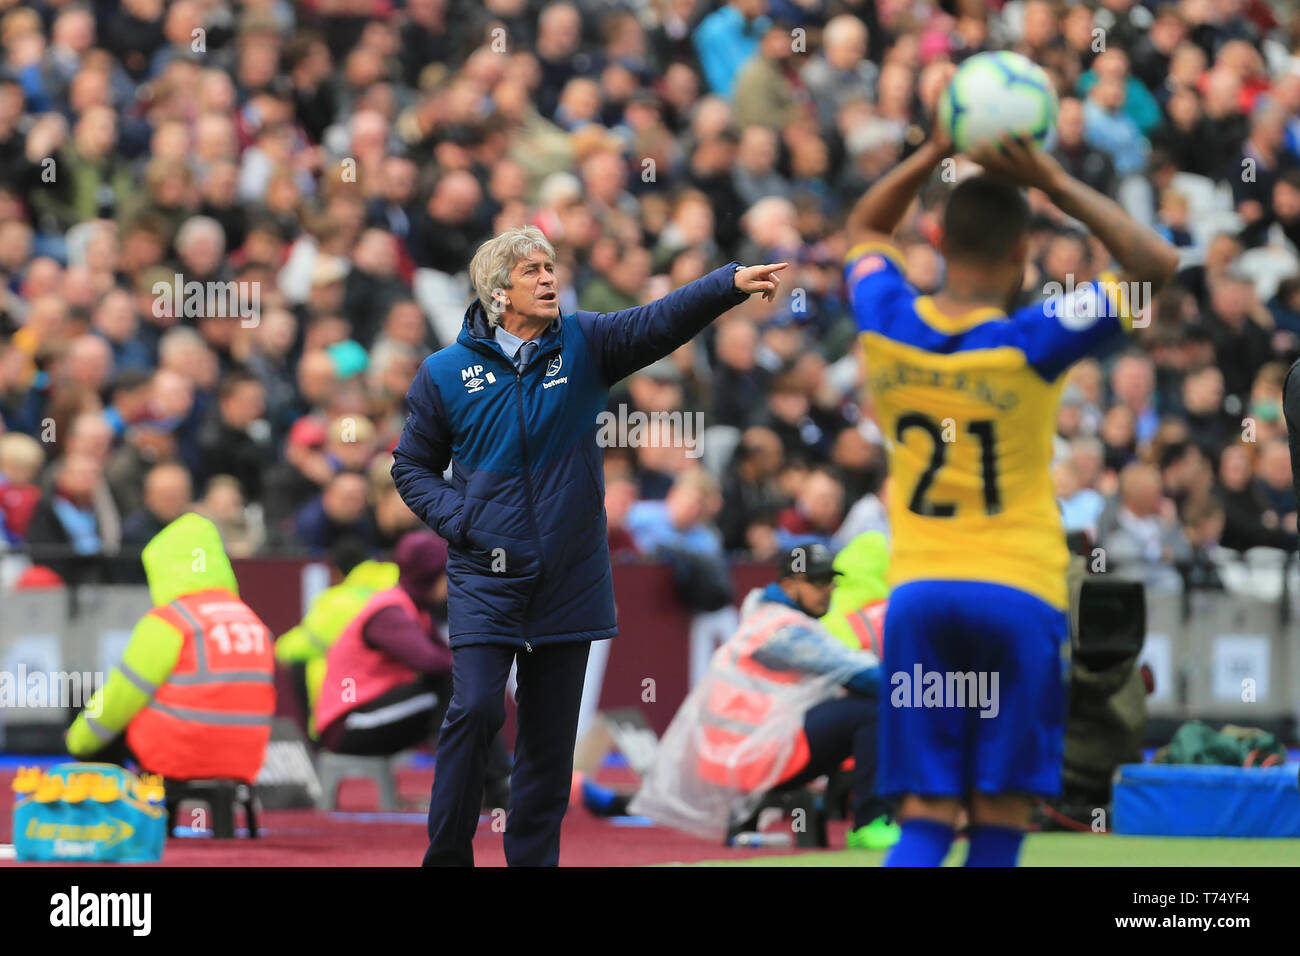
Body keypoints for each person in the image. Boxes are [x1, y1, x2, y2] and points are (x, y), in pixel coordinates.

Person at [392, 224, 786, 866]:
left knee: (549, 746)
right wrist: (461, 520)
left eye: (551, 268)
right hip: (484, 576)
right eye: (532, 272)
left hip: (568, 577)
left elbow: (660, 321)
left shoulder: (585, 342)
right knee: (475, 709)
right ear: (498, 292)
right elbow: (410, 467)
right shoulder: (442, 373)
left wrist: (728, 285)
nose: (549, 279)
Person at [844, 116, 1179, 865]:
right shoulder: (1040, 336)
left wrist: (932, 149)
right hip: (1019, 594)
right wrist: (1056, 182)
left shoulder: (888, 318)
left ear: (935, 240)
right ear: (1024, 253)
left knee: (926, 815)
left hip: (923, 595)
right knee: (999, 816)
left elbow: (864, 225)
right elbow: (1156, 262)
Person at [623, 543, 897, 849]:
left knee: (858, 705)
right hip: (753, 757)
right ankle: (871, 820)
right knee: (873, 708)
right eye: (818, 582)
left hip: (738, 754)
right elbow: (864, 675)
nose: (828, 590)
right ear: (790, 584)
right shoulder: (784, 631)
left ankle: (860, 808)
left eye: (831, 581)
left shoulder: (766, 616)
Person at [64, 513, 275, 782]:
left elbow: (121, 697)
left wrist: (78, 741)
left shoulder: (172, 621)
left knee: (105, 723)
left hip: (178, 758)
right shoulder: (250, 619)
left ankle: (121, 820)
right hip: (246, 761)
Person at [314, 531, 508, 806]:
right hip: (347, 726)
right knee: (455, 691)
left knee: (464, 694)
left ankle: (492, 784)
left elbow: (446, 659)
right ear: (429, 574)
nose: (451, 580)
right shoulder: (389, 611)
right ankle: (485, 785)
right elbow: (431, 662)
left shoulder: (415, 609)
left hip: (369, 716)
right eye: (447, 571)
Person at [274, 537, 398, 739]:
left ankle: (323, 744)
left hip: (351, 699)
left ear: (338, 572)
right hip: (397, 693)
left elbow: (304, 643)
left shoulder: (339, 601)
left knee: (311, 664)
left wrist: (277, 649)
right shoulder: (396, 587)